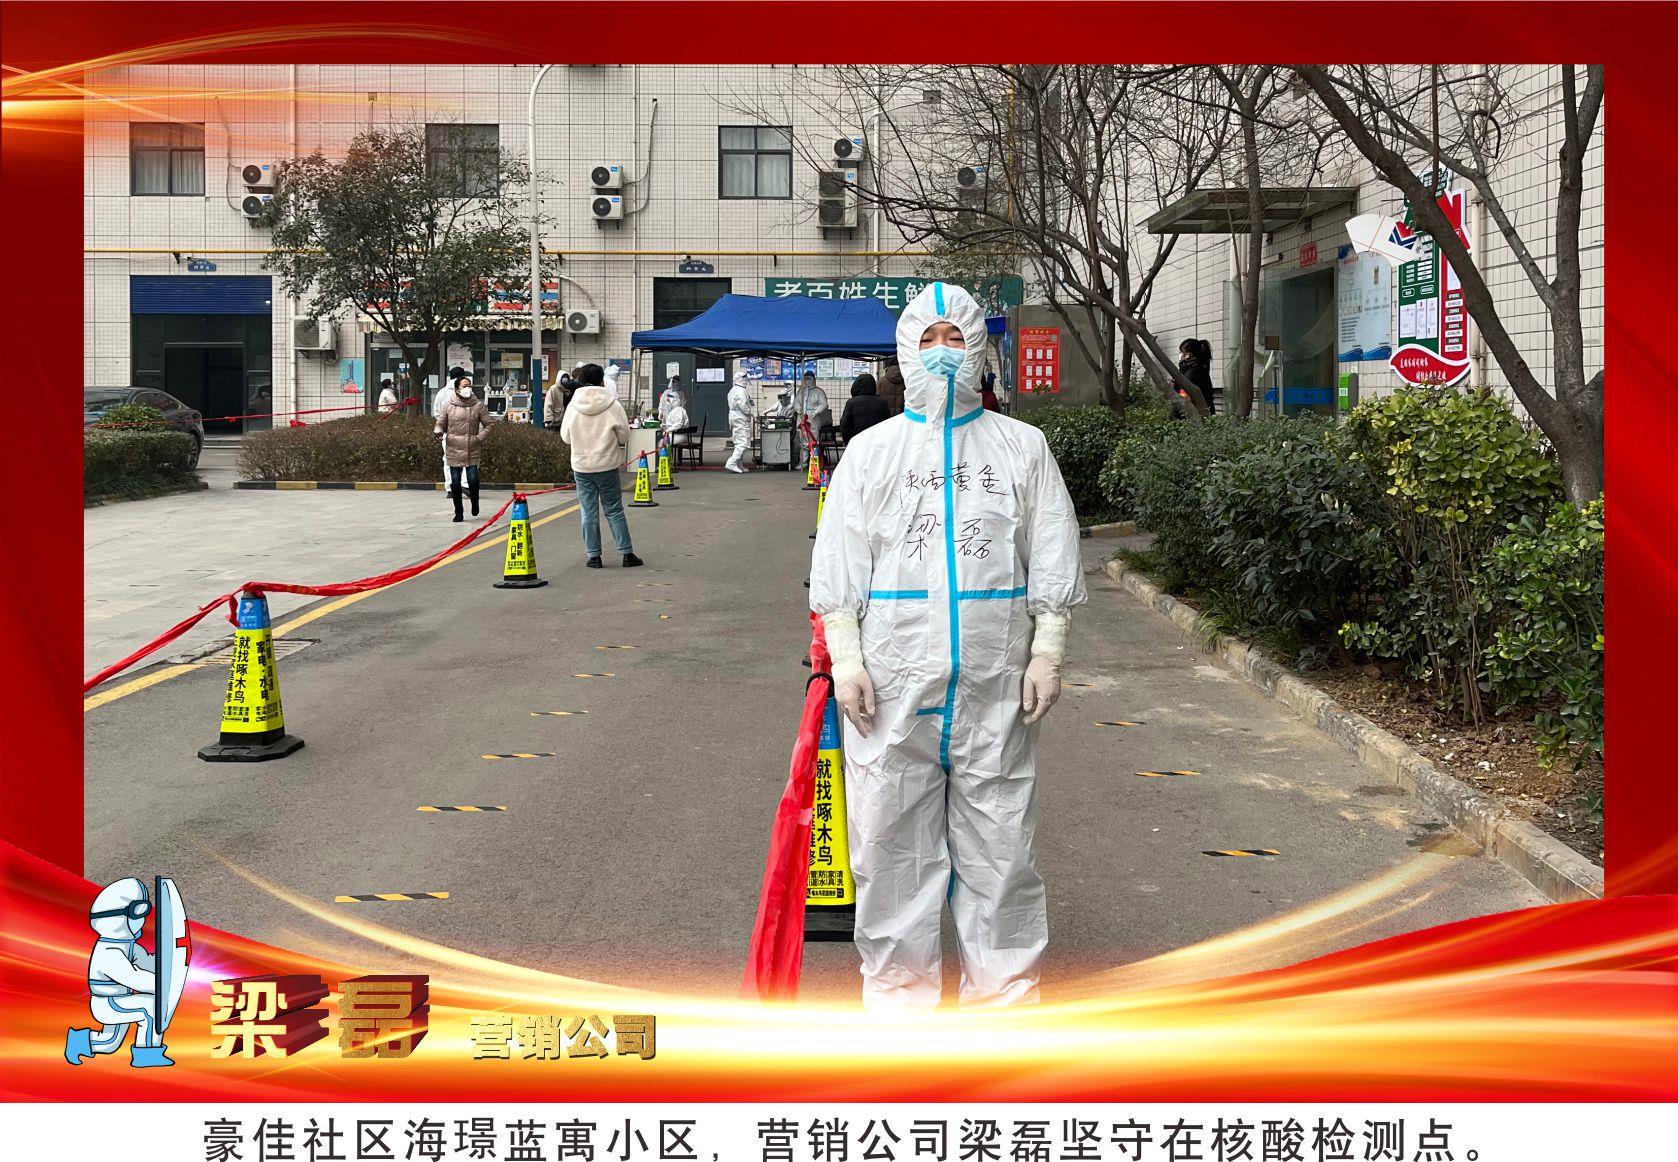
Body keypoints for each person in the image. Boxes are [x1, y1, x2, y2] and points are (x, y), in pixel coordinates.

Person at [809, 281, 1086, 1011]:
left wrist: (1048, 648)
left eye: (955, 338)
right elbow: (840, 562)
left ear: (978, 347)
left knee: (1001, 851)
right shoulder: (871, 453)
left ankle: (1004, 1007)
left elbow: (1051, 549)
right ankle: (900, 1007)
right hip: (892, 683)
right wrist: (846, 658)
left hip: (995, 682)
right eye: (927, 339)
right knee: (889, 849)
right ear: (905, 351)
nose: (941, 353)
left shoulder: (1021, 447)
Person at [63, 878, 173, 1067]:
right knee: (150, 1007)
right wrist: (164, 983)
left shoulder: (127, 946)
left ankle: (78, 1041)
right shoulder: (109, 952)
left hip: (119, 1000)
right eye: (136, 913)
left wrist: (166, 959)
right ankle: (147, 1055)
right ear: (116, 918)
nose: (141, 920)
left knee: (109, 1043)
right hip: (107, 1003)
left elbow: (147, 962)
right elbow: (135, 978)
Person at [559, 363, 644, 569]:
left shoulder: (573, 405)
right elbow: (624, 436)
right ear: (602, 380)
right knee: (614, 510)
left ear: (580, 380)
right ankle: (627, 553)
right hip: (607, 465)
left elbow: (566, 437)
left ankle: (593, 556)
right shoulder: (612, 404)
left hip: (582, 466)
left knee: (588, 512)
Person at [434, 375, 490, 523]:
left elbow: (489, 425)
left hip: (472, 446)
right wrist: (438, 431)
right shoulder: (448, 405)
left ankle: (475, 501)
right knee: (455, 482)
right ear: (457, 388)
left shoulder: (478, 406)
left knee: (473, 479)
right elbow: (440, 423)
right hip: (453, 446)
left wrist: (479, 438)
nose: (467, 389)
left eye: (469, 386)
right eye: (464, 386)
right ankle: (458, 512)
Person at [838, 372, 890, 444]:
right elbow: (888, 423)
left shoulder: (851, 402)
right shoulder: (882, 402)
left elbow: (845, 425)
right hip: (877, 441)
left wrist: (848, 442)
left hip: (857, 441)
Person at [795, 369, 832, 470]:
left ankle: (814, 462)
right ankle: (803, 462)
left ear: (814, 379)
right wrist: (798, 410)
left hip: (813, 419)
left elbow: (824, 404)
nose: (807, 381)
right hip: (801, 418)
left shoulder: (819, 392)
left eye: (809, 379)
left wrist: (817, 411)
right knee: (802, 441)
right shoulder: (801, 391)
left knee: (814, 441)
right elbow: (796, 402)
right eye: (806, 379)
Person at [725, 372, 754, 473]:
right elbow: (743, 405)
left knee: (738, 442)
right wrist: (750, 412)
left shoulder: (733, 390)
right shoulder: (740, 391)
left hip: (735, 418)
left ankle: (739, 464)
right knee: (743, 443)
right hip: (740, 418)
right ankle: (731, 462)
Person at [1178, 338, 1216, 415]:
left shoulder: (1193, 372)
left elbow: (1184, 396)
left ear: (1189, 355)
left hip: (1194, 415)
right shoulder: (1198, 368)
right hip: (1204, 412)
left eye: (1181, 352)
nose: (1180, 355)